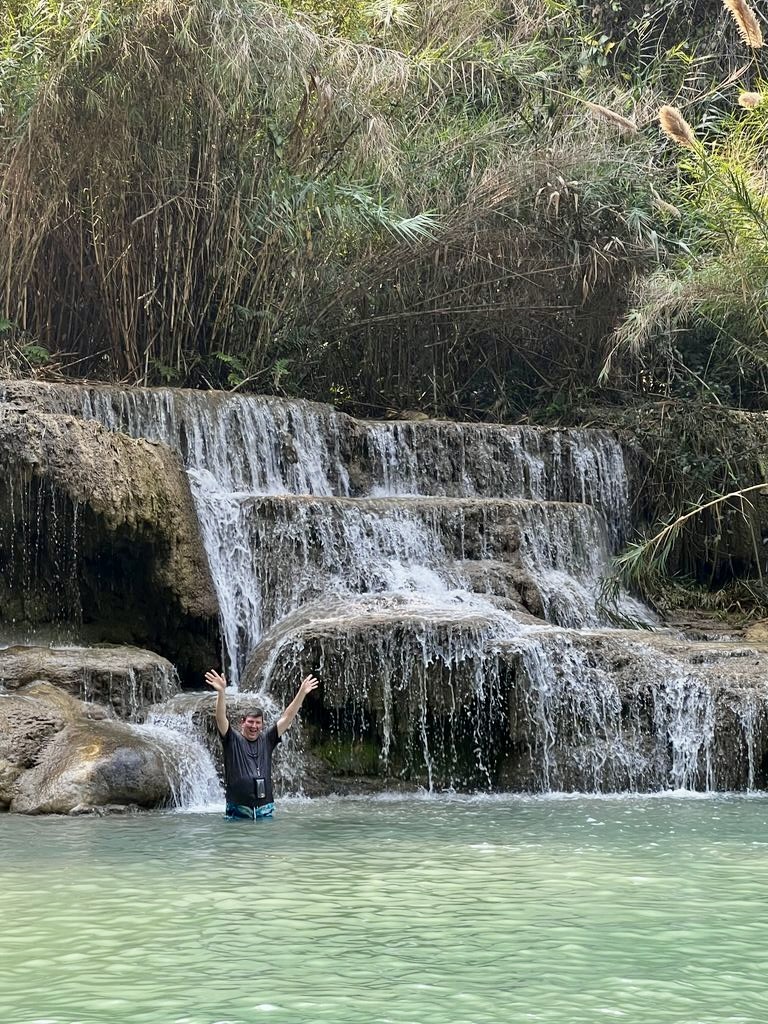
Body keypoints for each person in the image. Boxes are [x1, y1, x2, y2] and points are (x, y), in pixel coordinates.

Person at [204, 669, 319, 820]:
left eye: (258, 723)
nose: (254, 726)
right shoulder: (232, 740)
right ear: (242, 723)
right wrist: (221, 692)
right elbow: (220, 718)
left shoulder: (267, 740)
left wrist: (302, 693)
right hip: (238, 810)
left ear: (262, 725)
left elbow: (287, 717)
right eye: (250, 722)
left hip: (265, 809)